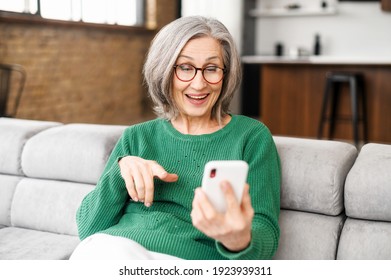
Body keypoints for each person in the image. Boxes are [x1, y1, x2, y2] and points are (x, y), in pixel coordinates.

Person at [71, 15, 281, 260]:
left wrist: (238, 240)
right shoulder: (137, 137)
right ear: (164, 71)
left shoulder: (251, 137)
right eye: (185, 68)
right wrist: (120, 173)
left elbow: (265, 230)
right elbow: (87, 229)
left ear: (225, 75)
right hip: (113, 250)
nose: (199, 83)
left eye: (212, 69)